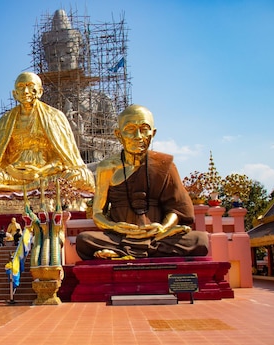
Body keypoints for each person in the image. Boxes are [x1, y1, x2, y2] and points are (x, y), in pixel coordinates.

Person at [76, 105, 209, 259]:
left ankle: (122, 253)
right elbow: (98, 213)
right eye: (130, 129)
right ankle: (138, 250)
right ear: (118, 134)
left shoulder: (163, 165)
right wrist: (115, 226)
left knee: (200, 240)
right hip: (120, 235)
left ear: (153, 133)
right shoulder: (107, 168)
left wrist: (163, 227)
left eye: (144, 129)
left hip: (157, 234)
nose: (138, 136)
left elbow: (177, 208)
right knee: (84, 240)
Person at [0, 72, 94, 195]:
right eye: (21, 87)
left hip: (44, 173)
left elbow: (63, 159)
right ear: (14, 94)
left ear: (40, 91)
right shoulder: (5, 120)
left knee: (82, 175)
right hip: (11, 176)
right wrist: (12, 170)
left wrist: (42, 171)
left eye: (30, 86)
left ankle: (15, 189)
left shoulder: (55, 116)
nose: (25, 91)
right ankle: (22, 187)